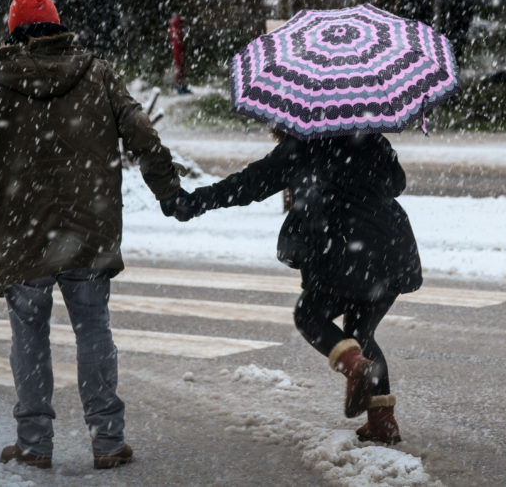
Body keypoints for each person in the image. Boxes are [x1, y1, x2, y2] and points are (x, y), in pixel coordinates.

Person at [0, 0, 181, 470]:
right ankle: (108, 441)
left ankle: (34, 444)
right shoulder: (97, 74)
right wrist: (169, 191)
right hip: (87, 229)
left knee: (28, 336)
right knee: (93, 330)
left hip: (19, 232)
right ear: (57, 27)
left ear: (14, 35)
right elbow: (144, 136)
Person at [167, 130, 420, 444]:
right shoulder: (371, 138)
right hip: (390, 250)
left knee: (309, 315)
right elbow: (397, 183)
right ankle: (383, 421)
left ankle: (355, 366)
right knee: (360, 331)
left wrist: (196, 202)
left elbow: (249, 184)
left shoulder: (302, 145)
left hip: (341, 247)